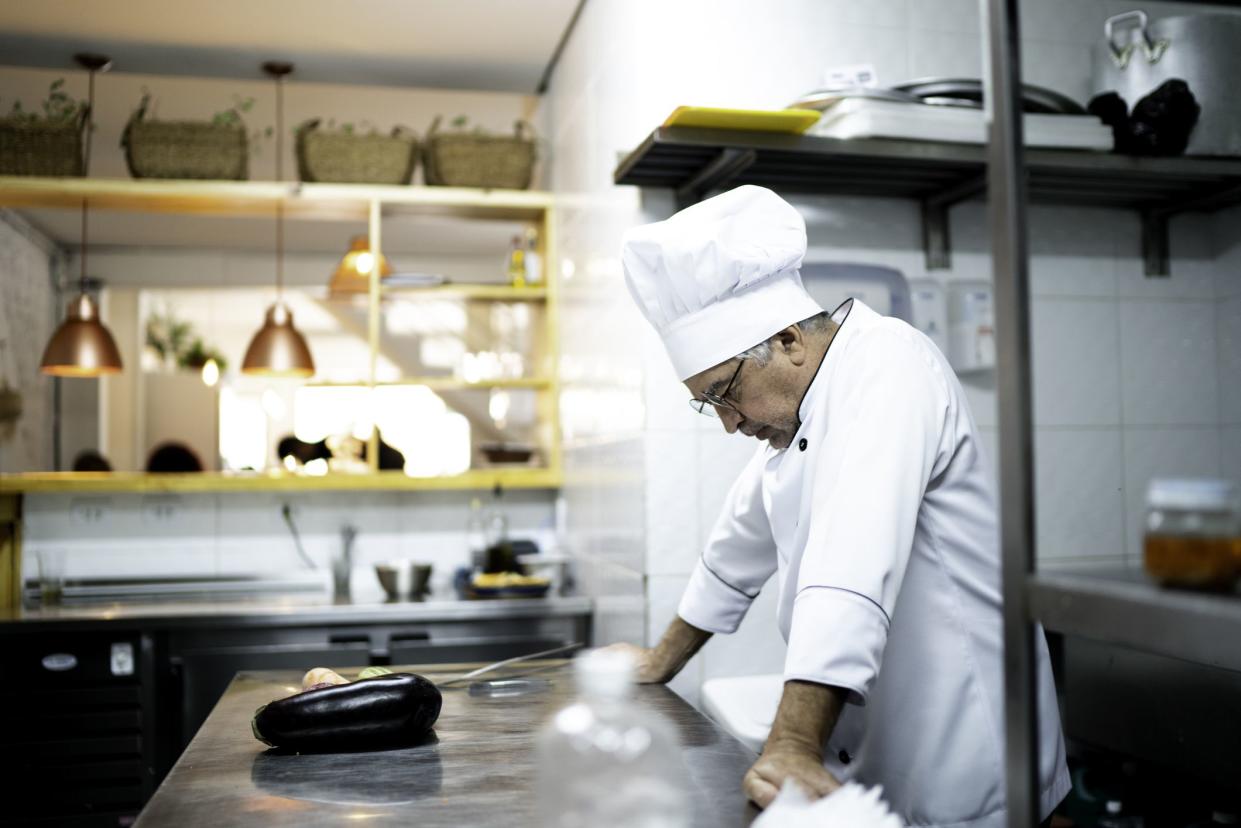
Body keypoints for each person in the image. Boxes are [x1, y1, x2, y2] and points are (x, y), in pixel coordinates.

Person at [609, 185, 1069, 827]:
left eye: (725, 394)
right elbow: (738, 541)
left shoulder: (889, 363)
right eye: (709, 404)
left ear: (790, 339)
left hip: (968, 745)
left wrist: (794, 742)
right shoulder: (804, 411)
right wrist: (663, 659)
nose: (730, 424)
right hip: (885, 745)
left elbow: (849, 555)